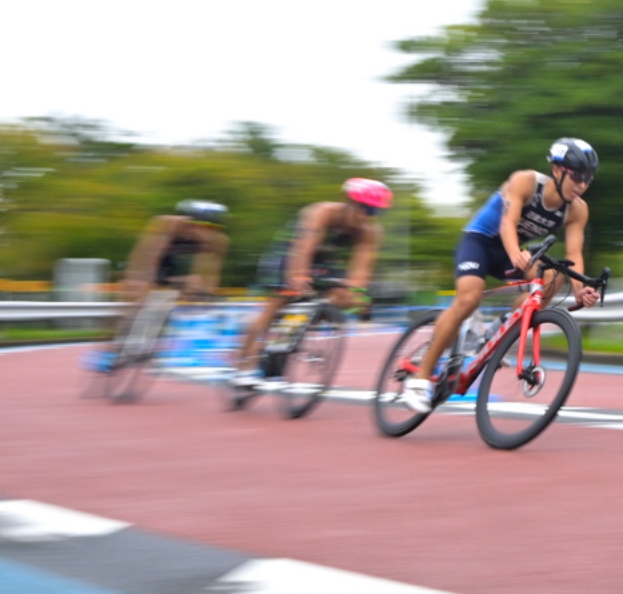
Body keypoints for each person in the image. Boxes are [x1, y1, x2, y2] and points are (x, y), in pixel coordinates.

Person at [396, 137, 603, 414]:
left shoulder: (578, 209)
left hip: (511, 251)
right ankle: (420, 380)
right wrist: (516, 253)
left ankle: (500, 330)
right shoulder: (525, 182)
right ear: (557, 170)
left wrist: (580, 289)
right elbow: (508, 223)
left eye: (588, 179)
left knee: (555, 276)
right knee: (469, 299)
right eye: (577, 176)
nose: (582, 184)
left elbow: (574, 254)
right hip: (480, 242)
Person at [227, 179, 391, 395]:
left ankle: (293, 332)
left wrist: (355, 294)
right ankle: (244, 364)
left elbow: (361, 270)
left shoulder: (371, 231)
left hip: (324, 259)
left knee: (343, 297)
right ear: (348, 202)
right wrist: (298, 275)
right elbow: (304, 246)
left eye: (374, 212)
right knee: (279, 300)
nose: (365, 216)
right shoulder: (323, 212)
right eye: (363, 208)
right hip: (292, 251)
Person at [91, 201, 229, 372]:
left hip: (172, 265)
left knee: (190, 284)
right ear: (190, 222)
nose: (205, 232)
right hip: (149, 258)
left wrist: (203, 294)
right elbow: (146, 257)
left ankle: (150, 338)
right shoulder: (168, 224)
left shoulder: (219, 241)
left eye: (212, 228)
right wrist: (138, 283)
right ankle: (110, 348)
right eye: (200, 226)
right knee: (134, 298)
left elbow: (211, 272)